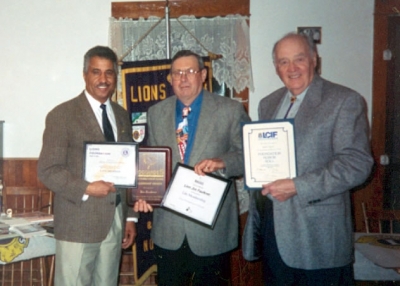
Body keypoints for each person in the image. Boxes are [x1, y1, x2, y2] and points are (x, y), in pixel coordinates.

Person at [243, 33, 374, 285]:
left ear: (314, 60)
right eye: (283, 62)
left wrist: (297, 186)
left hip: (318, 238)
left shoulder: (344, 100)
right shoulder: (268, 103)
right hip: (274, 233)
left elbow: (357, 163)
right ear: (276, 67)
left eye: (299, 59)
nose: (291, 68)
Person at [135, 50, 250, 285]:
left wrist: (223, 162)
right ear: (170, 79)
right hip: (168, 230)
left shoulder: (230, 110)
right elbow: (153, 164)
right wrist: (145, 193)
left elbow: (249, 156)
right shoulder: (156, 113)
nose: (183, 78)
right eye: (177, 73)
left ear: (204, 74)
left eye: (190, 71)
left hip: (210, 231)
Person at [38, 46, 137, 286]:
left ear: (115, 76)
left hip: (114, 221)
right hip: (77, 223)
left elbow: (127, 170)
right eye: (96, 72)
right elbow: (47, 170)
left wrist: (130, 217)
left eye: (109, 73)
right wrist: (87, 188)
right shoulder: (62, 115)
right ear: (85, 75)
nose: (103, 79)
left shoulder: (122, 115)